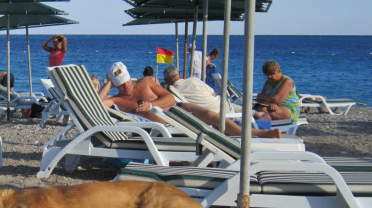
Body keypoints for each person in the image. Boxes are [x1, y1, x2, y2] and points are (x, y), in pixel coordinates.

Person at [99, 61, 280, 139]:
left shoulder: (145, 82)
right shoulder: (117, 99)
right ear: (115, 84)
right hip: (167, 125)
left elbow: (169, 97)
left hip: (179, 109)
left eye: (126, 80)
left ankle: (260, 134)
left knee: (213, 117)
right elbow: (97, 103)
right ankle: (257, 133)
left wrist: (151, 105)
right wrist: (107, 84)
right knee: (212, 126)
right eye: (120, 83)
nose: (126, 85)